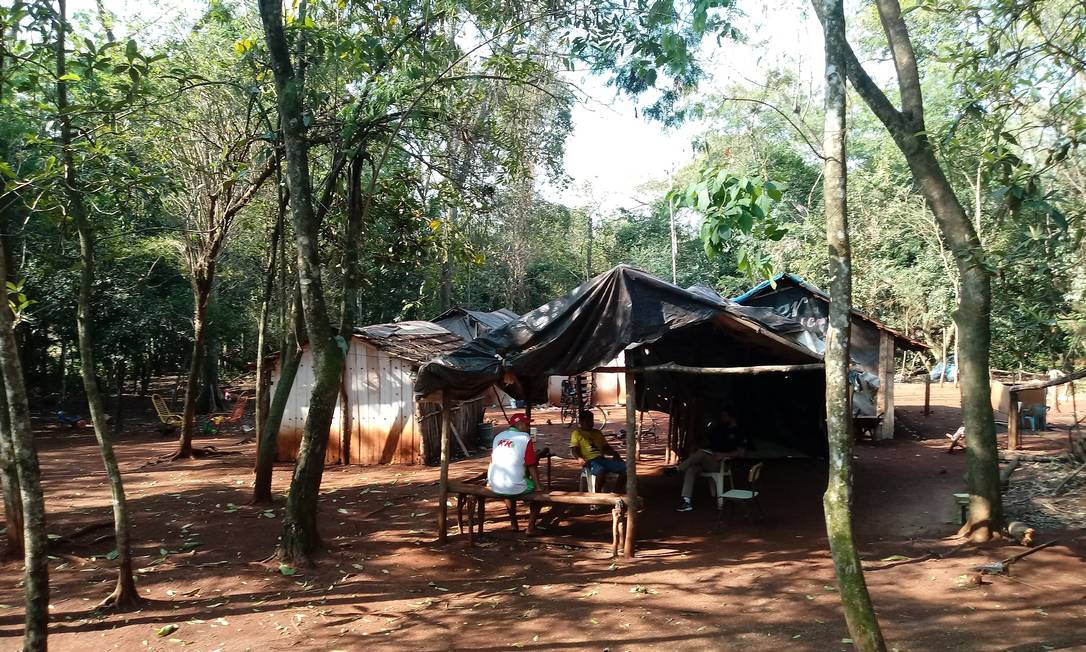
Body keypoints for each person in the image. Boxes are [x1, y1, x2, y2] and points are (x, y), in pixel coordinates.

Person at [668, 409, 748, 512]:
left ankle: (678, 469)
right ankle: (686, 501)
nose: (722, 418)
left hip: (722, 463)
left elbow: (741, 453)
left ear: (731, 417)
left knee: (701, 453)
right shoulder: (720, 429)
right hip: (709, 460)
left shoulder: (739, 432)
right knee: (691, 469)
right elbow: (707, 442)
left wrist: (724, 455)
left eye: (724, 416)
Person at [487, 413, 543, 533]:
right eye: (527, 424)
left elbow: (492, 460)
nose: (528, 427)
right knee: (540, 495)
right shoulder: (525, 438)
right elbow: (531, 465)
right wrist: (538, 486)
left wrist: (488, 481)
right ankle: (530, 528)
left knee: (509, 490)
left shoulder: (498, 436)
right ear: (519, 424)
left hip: (495, 484)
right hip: (513, 485)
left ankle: (513, 524)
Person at [569, 410, 626, 492]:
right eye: (587, 421)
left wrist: (614, 454)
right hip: (590, 461)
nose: (590, 423)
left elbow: (605, 447)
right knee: (601, 471)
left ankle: (616, 491)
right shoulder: (577, 433)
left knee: (626, 468)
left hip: (602, 459)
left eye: (591, 421)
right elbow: (574, 449)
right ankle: (597, 493)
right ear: (581, 422)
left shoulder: (597, 432)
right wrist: (579, 458)